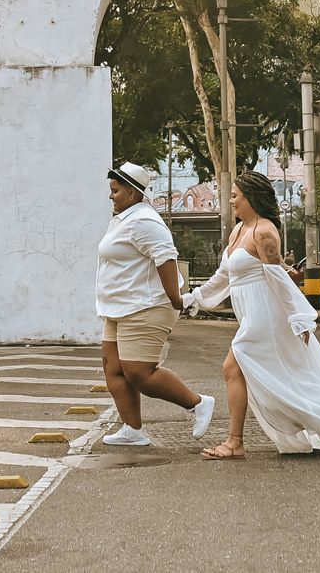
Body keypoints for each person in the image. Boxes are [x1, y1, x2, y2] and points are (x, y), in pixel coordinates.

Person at [185, 170, 320, 459]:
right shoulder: (238, 231)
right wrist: (196, 297)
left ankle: (234, 442)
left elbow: (279, 279)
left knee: (232, 367)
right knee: (287, 377)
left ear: (250, 197)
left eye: (235, 196)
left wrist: (298, 317)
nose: (230, 201)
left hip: (267, 314)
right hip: (250, 313)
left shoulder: (264, 231)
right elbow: (223, 276)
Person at [96, 161, 216, 448]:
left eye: (115, 191)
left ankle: (197, 403)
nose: (111, 196)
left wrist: (176, 300)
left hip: (145, 306)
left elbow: (165, 257)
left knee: (140, 373)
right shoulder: (123, 218)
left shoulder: (144, 220)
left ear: (133, 193)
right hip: (119, 307)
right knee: (113, 368)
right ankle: (132, 430)